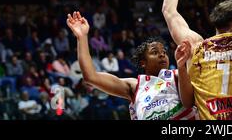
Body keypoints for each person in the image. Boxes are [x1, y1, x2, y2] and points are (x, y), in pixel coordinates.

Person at [66, 11, 197, 120]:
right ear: (143, 62)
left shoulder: (178, 75)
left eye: (164, 52)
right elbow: (90, 76)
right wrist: (82, 37)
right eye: (155, 52)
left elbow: (190, 102)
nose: (162, 55)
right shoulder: (134, 86)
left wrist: (181, 67)